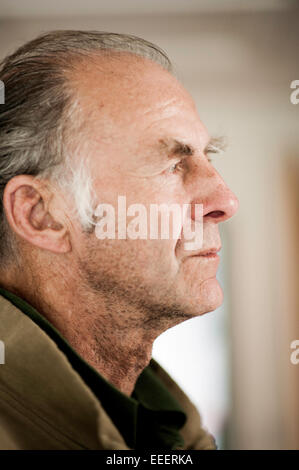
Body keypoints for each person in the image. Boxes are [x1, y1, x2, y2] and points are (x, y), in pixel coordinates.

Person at [0, 30, 238, 450]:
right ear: (42, 215)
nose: (225, 201)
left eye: (208, 156)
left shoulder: (170, 427)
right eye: (172, 165)